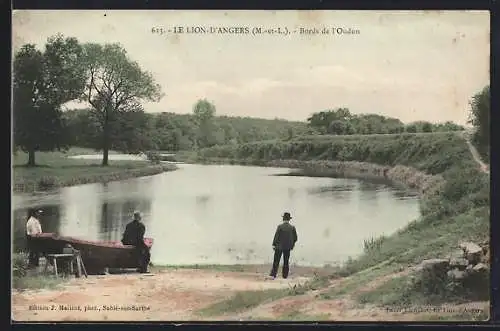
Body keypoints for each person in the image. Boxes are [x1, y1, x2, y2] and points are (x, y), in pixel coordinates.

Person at [269, 212, 298, 279]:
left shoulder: (280, 227)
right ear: (289, 219)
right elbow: (295, 238)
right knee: (286, 261)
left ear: (283, 219)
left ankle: (273, 274)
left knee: (276, 261)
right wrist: (292, 244)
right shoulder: (292, 228)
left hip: (279, 247)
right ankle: (285, 275)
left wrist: (274, 244)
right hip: (288, 247)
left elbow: (276, 236)